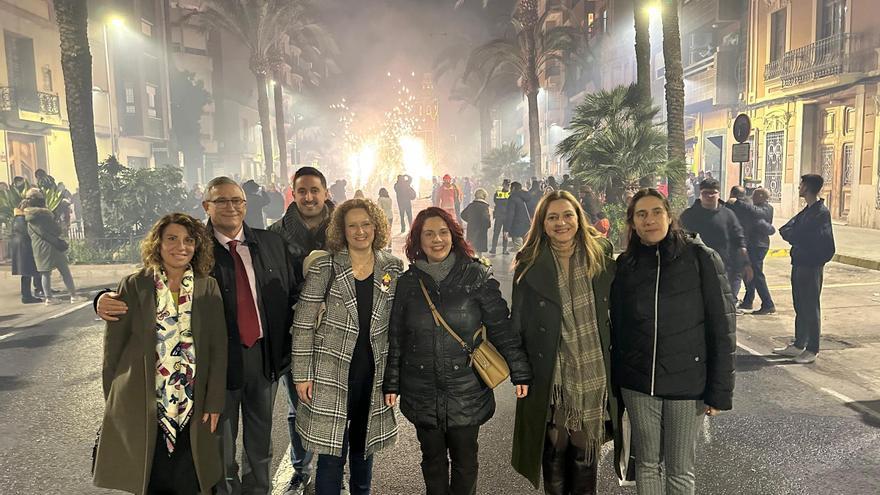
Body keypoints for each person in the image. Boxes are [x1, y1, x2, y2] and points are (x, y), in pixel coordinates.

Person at [97, 176, 299, 495]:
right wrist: (100, 298)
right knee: (217, 453)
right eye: (221, 201)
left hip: (262, 361)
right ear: (207, 206)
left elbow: (293, 292)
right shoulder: (194, 242)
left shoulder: (270, 244)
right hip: (209, 371)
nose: (231, 207)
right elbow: (141, 285)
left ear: (246, 205)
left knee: (260, 450)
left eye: (237, 200)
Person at [383, 207, 531, 495]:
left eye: (442, 232)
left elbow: (501, 327)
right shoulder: (408, 283)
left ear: (453, 236)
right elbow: (397, 336)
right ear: (418, 240)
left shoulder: (475, 275)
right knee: (432, 462)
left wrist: (520, 371)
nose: (437, 239)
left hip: (467, 389)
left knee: (465, 462)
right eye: (428, 233)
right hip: (421, 390)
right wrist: (391, 381)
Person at [611, 188, 735, 495]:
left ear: (670, 216)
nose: (649, 220)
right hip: (639, 383)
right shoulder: (626, 265)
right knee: (647, 465)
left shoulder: (700, 258)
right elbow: (618, 326)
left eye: (656, 212)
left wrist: (719, 391)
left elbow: (723, 326)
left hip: (687, 384)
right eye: (641, 214)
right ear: (632, 222)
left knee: (680, 469)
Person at [93, 213, 227, 495]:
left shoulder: (206, 286)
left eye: (189, 240)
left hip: (192, 399)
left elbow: (218, 347)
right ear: (158, 243)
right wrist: (114, 402)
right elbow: (113, 349)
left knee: (191, 477)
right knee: (152, 478)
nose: (181, 246)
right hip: (143, 400)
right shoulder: (135, 285)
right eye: (172, 239)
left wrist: (214, 400)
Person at [510, 190, 628, 494]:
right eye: (552, 217)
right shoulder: (529, 261)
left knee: (584, 444)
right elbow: (518, 324)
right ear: (542, 223)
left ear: (578, 217)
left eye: (567, 215)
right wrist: (520, 369)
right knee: (555, 443)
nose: (561, 222)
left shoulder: (600, 254)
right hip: (551, 369)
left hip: (594, 367)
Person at [292, 198, 402, 495]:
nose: (360, 231)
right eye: (352, 225)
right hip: (331, 374)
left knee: (363, 452)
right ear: (342, 230)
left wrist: (394, 378)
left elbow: (397, 328)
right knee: (330, 456)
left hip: (373, 374)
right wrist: (302, 373)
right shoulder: (325, 267)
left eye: (366, 224)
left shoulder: (392, 268)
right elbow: (302, 322)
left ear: (376, 227)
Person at [775, 174, 836, 365]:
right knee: (800, 305)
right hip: (799, 263)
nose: (799, 187)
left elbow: (799, 234)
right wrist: (794, 235)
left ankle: (812, 348)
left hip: (811, 265)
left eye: (801, 184)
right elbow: (786, 228)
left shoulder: (820, 212)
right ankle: (799, 343)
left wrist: (794, 236)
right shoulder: (807, 211)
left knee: (810, 306)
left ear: (808, 187)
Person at [679, 178, 752, 300]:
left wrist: (746, 264)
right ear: (700, 194)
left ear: (719, 193)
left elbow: (739, 239)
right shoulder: (689, 215)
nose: (709, 195)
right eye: (705, 192)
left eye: (713, 192)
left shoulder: (728, 215)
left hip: (723, 268)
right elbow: (679, 239)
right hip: (695, 269)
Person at [726, 187, 776, 314]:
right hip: (753, 244)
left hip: (759, 245)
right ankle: (748, 300)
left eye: (754, 195)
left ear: (761, 196)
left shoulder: (766, 208)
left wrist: (736, 202)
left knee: (757, 274)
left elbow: (754, 211)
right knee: (749, 273)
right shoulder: (755, 207)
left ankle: (768, 303)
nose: (752, 197)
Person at [23, 189, 77, 304]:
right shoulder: (44, 215)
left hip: (38, 248)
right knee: (65, 271)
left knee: (45, 274)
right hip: (52, 246)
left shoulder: (27, 216)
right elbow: (56, 230)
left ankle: (49, 298)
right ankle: (73, 296)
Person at [11, 200, 43, 303]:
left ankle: (28, 295)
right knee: (27, 272)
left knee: (26, 272)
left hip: (20, 247)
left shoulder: (17, 217)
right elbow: (27, 232)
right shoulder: (22, 218)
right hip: (24, 247)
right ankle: (26, 296)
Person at [460, 188, 491, 258]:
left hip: (471, 229)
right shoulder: (484, 206)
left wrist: (470, 220)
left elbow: (462, 214)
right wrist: (487, 225)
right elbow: (486, 219)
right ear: (484, 196)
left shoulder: (471, 205)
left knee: (471, 249)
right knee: (479, 252)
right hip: (480, 231)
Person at [506, 181, 532, 252]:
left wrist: (506, 229)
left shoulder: (513, 198)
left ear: (513, 188)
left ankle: (521, 262)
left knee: (519, 250)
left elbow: (510, 214)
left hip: (516, 227)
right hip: (527, 226)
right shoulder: (527, 197)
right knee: (527, 249)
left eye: (511, 187)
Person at [490, 179, 511, 256]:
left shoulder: (510, 192)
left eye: (508, 185)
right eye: (506, 184)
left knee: (505, 233)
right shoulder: (499, 192)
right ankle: (493, 248)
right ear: (503, 184)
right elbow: (495, 201)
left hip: (506, 215)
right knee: (496, 232)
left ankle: (504, 249)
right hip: (500, 215)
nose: (507, 186)